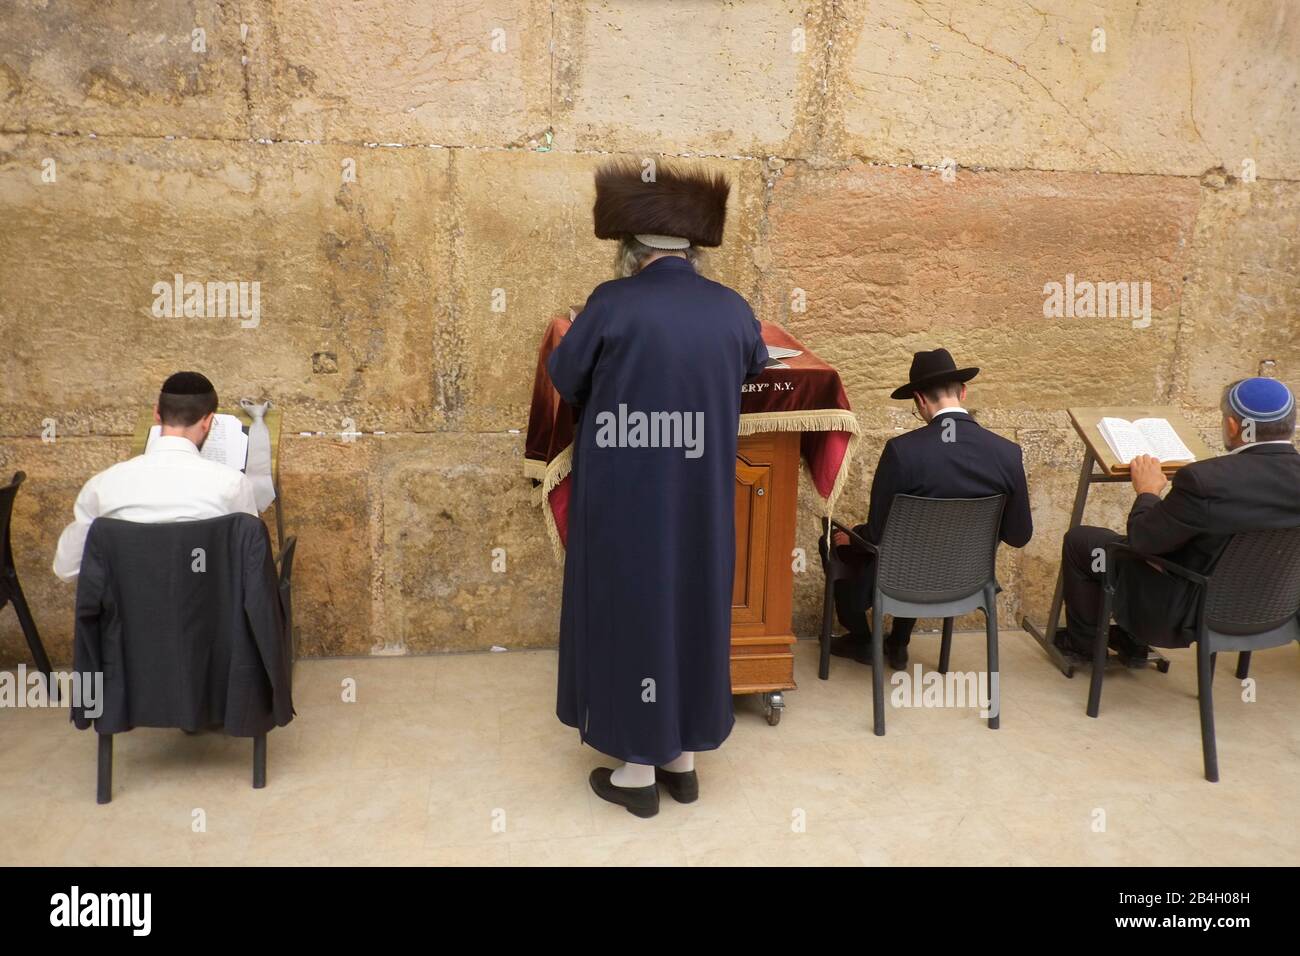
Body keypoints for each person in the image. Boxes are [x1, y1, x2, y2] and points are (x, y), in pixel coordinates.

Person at [547, 161, 768, 818]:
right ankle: (684, 760)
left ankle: (638, 774)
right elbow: (752, 365)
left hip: (625, 493)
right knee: (692, 604)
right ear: (692, 251)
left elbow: (566, 376)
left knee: (630, 610)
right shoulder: (733, 308)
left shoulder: (612, 302)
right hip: (702, 495)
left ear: (630, 251)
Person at [1060, 377, 1300, 658]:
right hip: (1275, 608)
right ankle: (1128, 641)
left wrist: (1147, 492)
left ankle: (1088, 646)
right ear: (1291, 426)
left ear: (1234, 426)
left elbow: (1143, 541)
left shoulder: (1206, 480)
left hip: (1186, 611)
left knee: (1083, 542)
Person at [823, 348, 1032, 668]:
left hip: (898, 580)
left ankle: (864, 639)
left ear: (919, 400)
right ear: (963, 392)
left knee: (836, 543)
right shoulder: (1007, 453)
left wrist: (852, 537)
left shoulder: (902, 452)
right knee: (923, 552)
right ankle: (898, 641)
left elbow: (877, 535)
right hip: (968, 582)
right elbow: (1019, 535)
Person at [53, 371, 259, 582]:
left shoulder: (101, 487)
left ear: (157, 414)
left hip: (126, 615)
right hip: (205, 613)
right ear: (208, 421)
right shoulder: (232, 484)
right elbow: (249, 567)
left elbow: (66, 569)